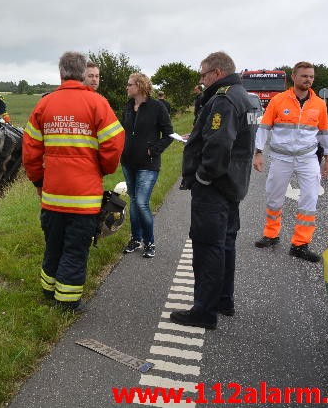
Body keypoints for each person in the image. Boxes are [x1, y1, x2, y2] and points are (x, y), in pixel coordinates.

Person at [22, 51, 124, 311]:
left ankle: (48, 291)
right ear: (82, 74)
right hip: (84, 197)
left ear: (60, 73)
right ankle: (66, 304)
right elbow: (114, 145)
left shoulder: (45, 104)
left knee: (53, 245)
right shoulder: (98, 103)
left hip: (52, 195)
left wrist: (38, 182)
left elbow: (30, 151)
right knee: (76, 250)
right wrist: (101, 169)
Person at [170, 51, 255, 330]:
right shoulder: (245, 96)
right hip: (233, 184)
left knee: (208, 247)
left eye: (204, 75)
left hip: (216, 187)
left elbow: (218, 144)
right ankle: (223, 300)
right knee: (225, 243)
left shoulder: (224, 99)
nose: (202, 80)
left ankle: (204, 311)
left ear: (217, 73)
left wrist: (203, 176)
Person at [252, 61, 328, 262]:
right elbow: (264, 127)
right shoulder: (278, 101)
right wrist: (258, 152)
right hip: (281, 159)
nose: (308, 80)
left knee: (309, 201)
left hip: (308, 159)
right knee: (274, 198)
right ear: (294, 77)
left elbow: (324, 132)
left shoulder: (319, 104)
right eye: (304, 76)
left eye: (311, 77)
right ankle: (271, 235)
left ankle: (300, 244)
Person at [121, 73, 174, 258]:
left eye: (129, 84)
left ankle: (149, 241)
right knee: (134, 202)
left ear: (140, 86)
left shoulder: (157, 107)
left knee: (142, 203)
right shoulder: (128, 107)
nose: (127, 87)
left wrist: (154, 150)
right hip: (128, 162)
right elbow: (123, 131)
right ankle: (136, 239)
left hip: (147, 164)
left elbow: (169, 135)